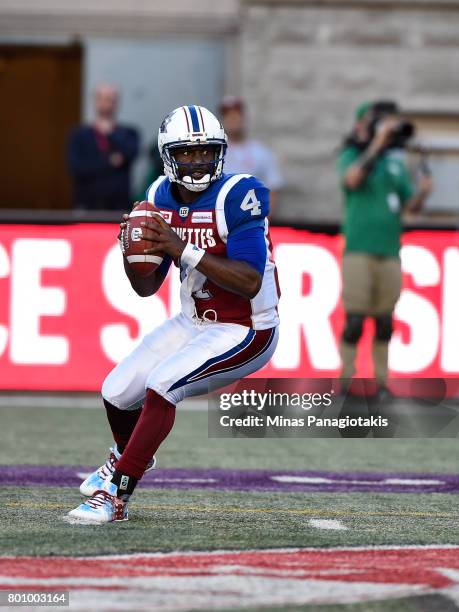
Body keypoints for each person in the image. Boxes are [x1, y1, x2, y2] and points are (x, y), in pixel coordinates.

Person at [68, 105, 280, 523]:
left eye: (206, 152)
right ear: (168, 155)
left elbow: (250, 281)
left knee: (163, 384)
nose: (198, 161)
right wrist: (134, 251)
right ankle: (127, 458)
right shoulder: (157, 196)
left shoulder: (239, 193)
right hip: (194, 321)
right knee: (116, 389)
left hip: (246, 328)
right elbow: (147, 288)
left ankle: (117, 495)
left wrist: (180, 247)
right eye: (187, 153)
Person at [338, 100, 433, 389]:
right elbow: (352, 179)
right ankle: (346, 379)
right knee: (355, 320)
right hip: (359, 248)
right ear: (361, 124)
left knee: (384, 321)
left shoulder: (394, 163)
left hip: (390, 250)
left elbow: (410, 206)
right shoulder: (351, 154)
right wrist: (376, 145)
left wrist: (423, 192)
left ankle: (381, 380)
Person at [68, 83, 139, 211]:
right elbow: (76, 167)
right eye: (103, 98)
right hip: (87, 206)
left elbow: (131, 154)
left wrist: (111, 134)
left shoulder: (129, 134)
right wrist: (110, 161)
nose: (107, 104)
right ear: (95, 101)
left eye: (111, 99)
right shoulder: (79, 135)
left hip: (119, 207)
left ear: (117, 103)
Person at [220, 96, 283, 217]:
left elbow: (273, 189)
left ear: (243, 118)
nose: (233, 119)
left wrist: (263, 221)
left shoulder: (261, 152)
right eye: (228, 115)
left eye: (236, 114)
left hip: (252, 220)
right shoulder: (214, 153)